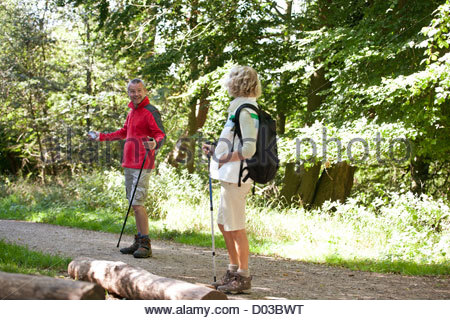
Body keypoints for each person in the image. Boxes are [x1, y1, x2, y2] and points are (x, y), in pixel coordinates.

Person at [88, 78, 165, 258]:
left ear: (145, 91)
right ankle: (138, 240)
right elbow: (124, 132)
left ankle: (146, 244)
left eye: (139, 90)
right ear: (128, 93)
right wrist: (101, 137)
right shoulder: (131, 111)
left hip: (143, 163)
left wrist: (155, 143)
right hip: (129, 163)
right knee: (132, 202)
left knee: (138, 203)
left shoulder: (150, 111)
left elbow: (160, 134)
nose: (135, 94)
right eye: (132, 91)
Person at [202, 66, 261, 293]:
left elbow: (249, 148)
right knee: (223, 223)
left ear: (238, 83)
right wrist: (217, 150)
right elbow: (236, 142)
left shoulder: (247, 110)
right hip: (229, 175)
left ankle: (243, 277)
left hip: (237, 176)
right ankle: (233, 271)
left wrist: (225, 157)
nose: (227, 84)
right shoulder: (238, 108)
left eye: (230, 80)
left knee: (236, 226)